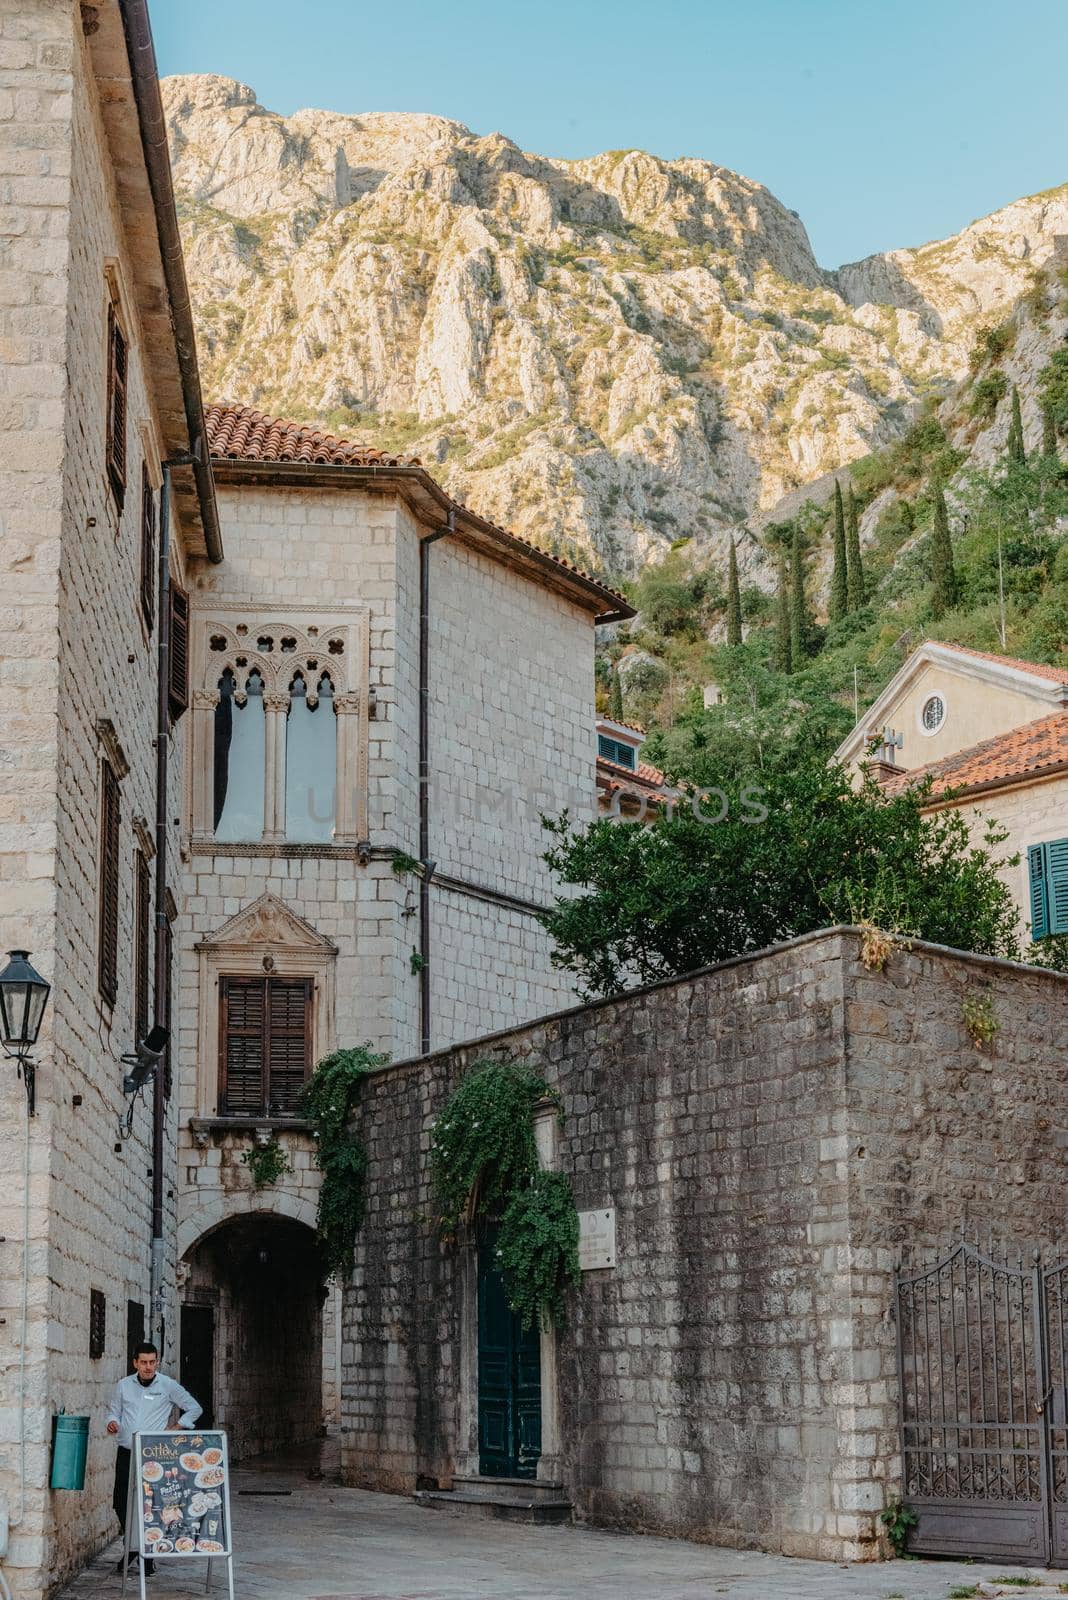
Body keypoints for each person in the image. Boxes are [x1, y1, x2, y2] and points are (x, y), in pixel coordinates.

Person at [106, 1342, 202, 1576]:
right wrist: (112, 1422)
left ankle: (147, 1554)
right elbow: (113, 1411)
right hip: (127, 1451)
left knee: (151, 1505)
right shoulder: (123, 1386)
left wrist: (176, 1427)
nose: (148, 1367)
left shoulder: (167, 1385)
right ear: (135, 1363)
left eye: (152, 1362)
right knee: (121, 1501)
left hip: (154, 1456)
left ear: (157, 1362)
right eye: (144, 1362)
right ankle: (132, 1547)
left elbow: (194, 1408)